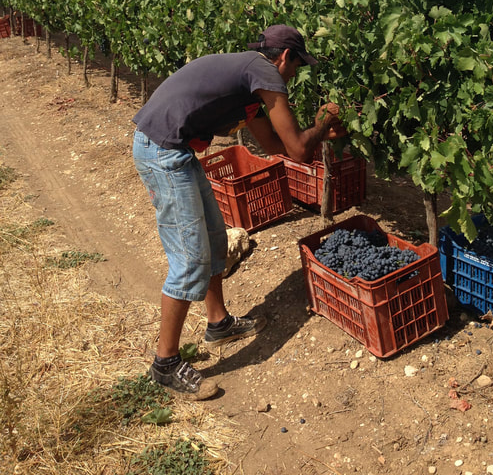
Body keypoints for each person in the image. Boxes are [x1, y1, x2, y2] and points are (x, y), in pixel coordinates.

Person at [132, 24, 346, 399]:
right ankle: (164, 364)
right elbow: (297, 150)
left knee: (215, 238)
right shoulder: (263, 72)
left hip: (174, 149)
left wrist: (314, 135)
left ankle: (218, 324)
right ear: (284, 57)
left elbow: (274, 145)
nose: (295, 74)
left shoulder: (248, 85)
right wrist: (322, 123)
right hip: (162, 151)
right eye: (296, 65)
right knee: (190, 259)